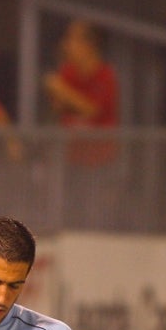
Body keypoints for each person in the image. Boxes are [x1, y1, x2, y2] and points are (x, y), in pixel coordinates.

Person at [43, 19, 121, 229]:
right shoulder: (68, 72)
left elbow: (91, 109)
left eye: (72, 39)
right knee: (70, 216)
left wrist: (61, 90)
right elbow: (59, 106)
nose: (66, 45)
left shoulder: (105, 76)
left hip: (100, 164)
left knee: (97, 219)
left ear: (89, 45)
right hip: (73, 161)